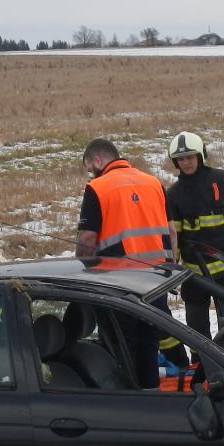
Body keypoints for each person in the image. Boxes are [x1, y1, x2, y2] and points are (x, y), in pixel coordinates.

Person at [75, 139, 187, 386]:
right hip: (156, 282)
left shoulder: (97, 188)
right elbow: (171, 233)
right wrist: (169, 267)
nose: (90, 172)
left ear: (97, 160)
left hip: (119, 284)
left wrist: (80, 269)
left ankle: (130, 406)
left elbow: (87, 239)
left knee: (122, 351)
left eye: (88, 167)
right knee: (148, 347)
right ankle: (151, 397)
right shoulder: (154, 183)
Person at [163, 131, 224, 343]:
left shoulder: (223, 180)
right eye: (181, 159)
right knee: (197, 331)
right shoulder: (174, 195)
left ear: (200, 155)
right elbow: (175, 238)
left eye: (190, 157)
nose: (186, 163)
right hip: (194, 276)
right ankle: (201, 367)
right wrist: (171, 268)